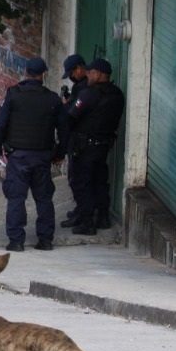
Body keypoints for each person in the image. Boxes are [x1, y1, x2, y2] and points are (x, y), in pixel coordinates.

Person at [0, 57, 67, 252]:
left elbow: (0, 125)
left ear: (26, 73)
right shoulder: (52, 99)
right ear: (43, 74)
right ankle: (45, 240)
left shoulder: (13, 95)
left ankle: (16, 241)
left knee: (16, 198)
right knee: (44, 198)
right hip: (42, 157)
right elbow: (64, 130)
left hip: (18, 157)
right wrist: (60, 153)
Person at [66, 58, 126, 235]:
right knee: (99, 181)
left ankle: (87, 222)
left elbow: (72, 116)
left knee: (82, 182)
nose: (88, 76)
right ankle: (103, 217)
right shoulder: (117, 94)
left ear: (99, 74)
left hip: (85, 146)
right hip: (103, 145)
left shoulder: (89, 94)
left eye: (91, 72)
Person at [59, 53, 89, 228]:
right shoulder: (80, 87)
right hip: (81, 140)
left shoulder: (84, 88)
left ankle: (83, 216)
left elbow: (73, 114)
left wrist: (65, 106)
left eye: (72, 73)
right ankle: (81, 211)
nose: (71, 76)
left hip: (80, 141)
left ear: (79, 69)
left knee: (78, 179)